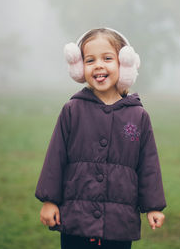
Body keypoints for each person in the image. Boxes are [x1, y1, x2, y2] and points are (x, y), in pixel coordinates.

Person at [35, 28, 166, 249]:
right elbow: (55, 157)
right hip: (76, 218)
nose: (98, 65)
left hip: (119, 223)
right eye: (89, 60)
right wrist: (50, 201)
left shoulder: (138, 115)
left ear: (124, 64)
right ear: (79, 67)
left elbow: (148, 164)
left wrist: (153, 206)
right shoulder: (72, 110)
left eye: (107, 58)